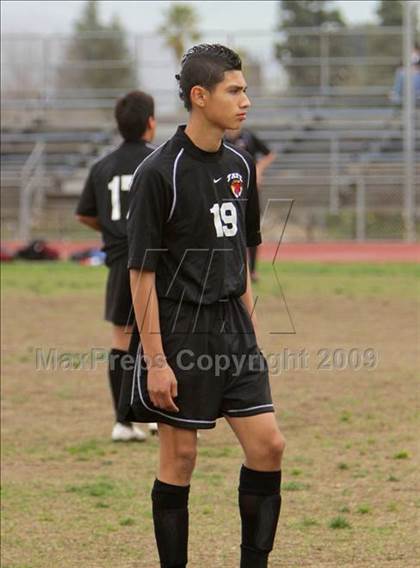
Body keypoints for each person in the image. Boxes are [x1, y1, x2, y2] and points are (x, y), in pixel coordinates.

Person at [118, 44, 286, 567]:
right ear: (199, 96)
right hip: (179, 328)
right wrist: (156, 361)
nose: (246, 102)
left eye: (245, 90)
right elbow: (140, 273)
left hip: (234, 327)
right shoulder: (158, 173)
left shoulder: (240, 164)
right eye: (234, 90)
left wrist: (251, 335)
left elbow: (242, 255)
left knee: (269, 446)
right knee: (181, 457)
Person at [76, 90, 158, 442]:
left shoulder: (102, 166)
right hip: (155, 262)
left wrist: (111, 231)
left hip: (119, 262)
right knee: (162, 338)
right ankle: (160, 417)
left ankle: (122, 423)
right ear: (151, 123)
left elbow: (84, 214)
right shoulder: (158, 163)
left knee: (122, 341)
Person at [225, 127, 276, 282]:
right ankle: (232, 270)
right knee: (230, 229)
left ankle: (252, 271)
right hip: (227, 190)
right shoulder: (221, 139)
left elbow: (270, 154)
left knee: (252, 228)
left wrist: (258, 170)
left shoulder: (249, 136)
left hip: (248, 189)